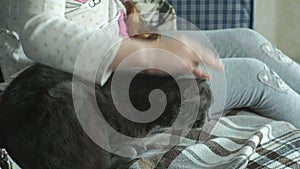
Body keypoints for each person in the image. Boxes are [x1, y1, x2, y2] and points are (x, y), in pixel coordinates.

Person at [0, 0, 299, 131]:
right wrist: (142, 53)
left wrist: (138, 28)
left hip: (119, 50)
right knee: (253, 76)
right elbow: (38, 30)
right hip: (66, 91)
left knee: (246, 40)